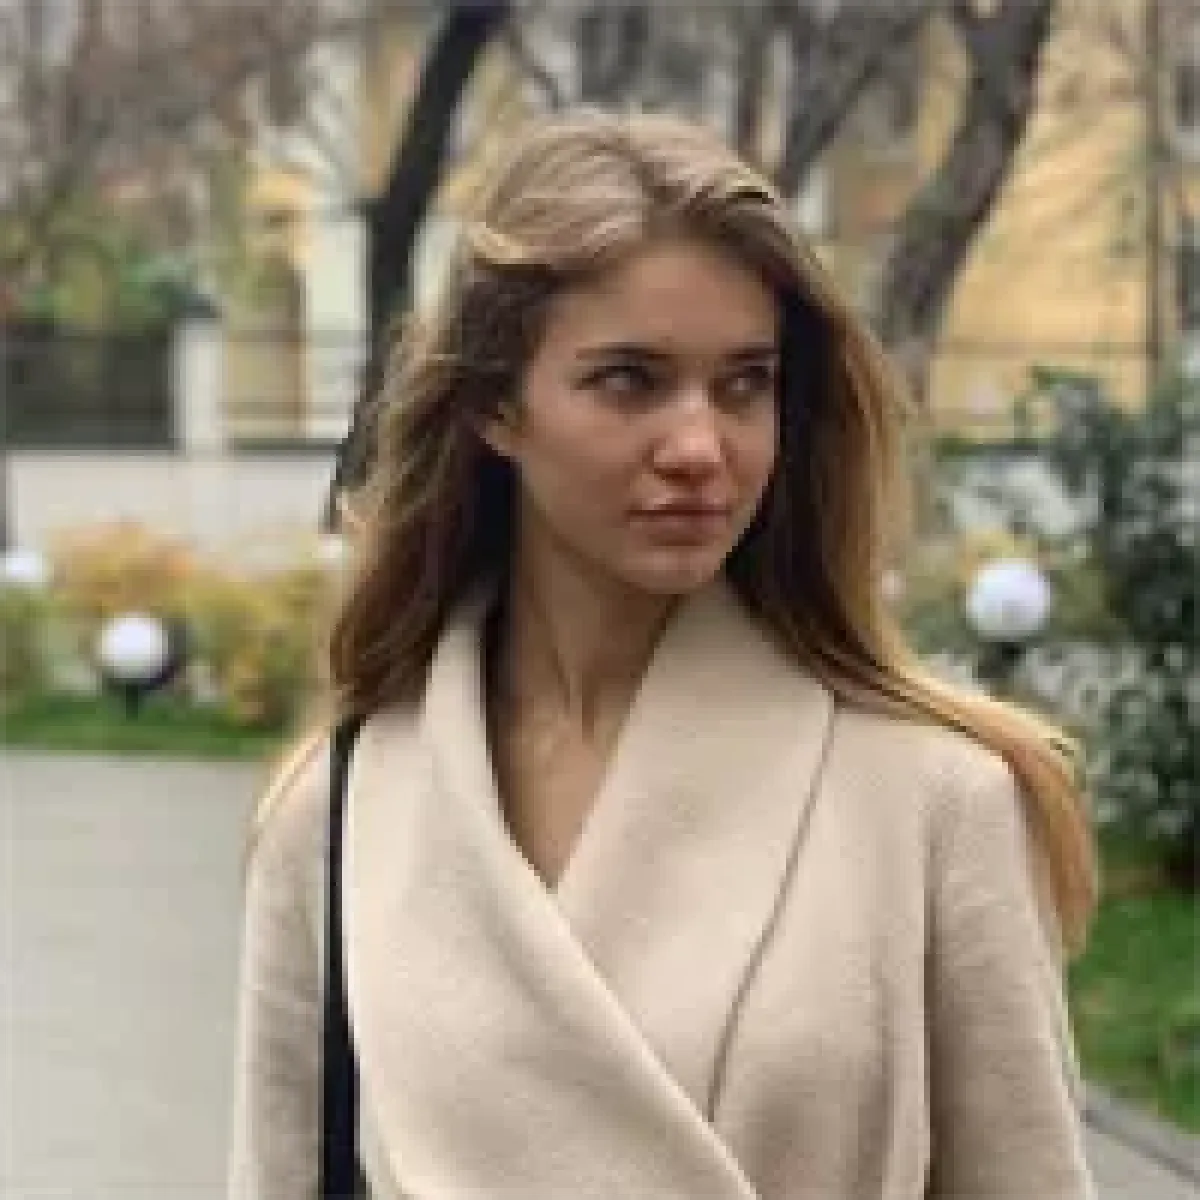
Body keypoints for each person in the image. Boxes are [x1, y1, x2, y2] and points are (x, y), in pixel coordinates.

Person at [227, 110, 1100, 1199]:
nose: (699, 447)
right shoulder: (342, 809)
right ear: (496, 404)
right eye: (629, 381)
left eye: (745, 384)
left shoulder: (936, 801)